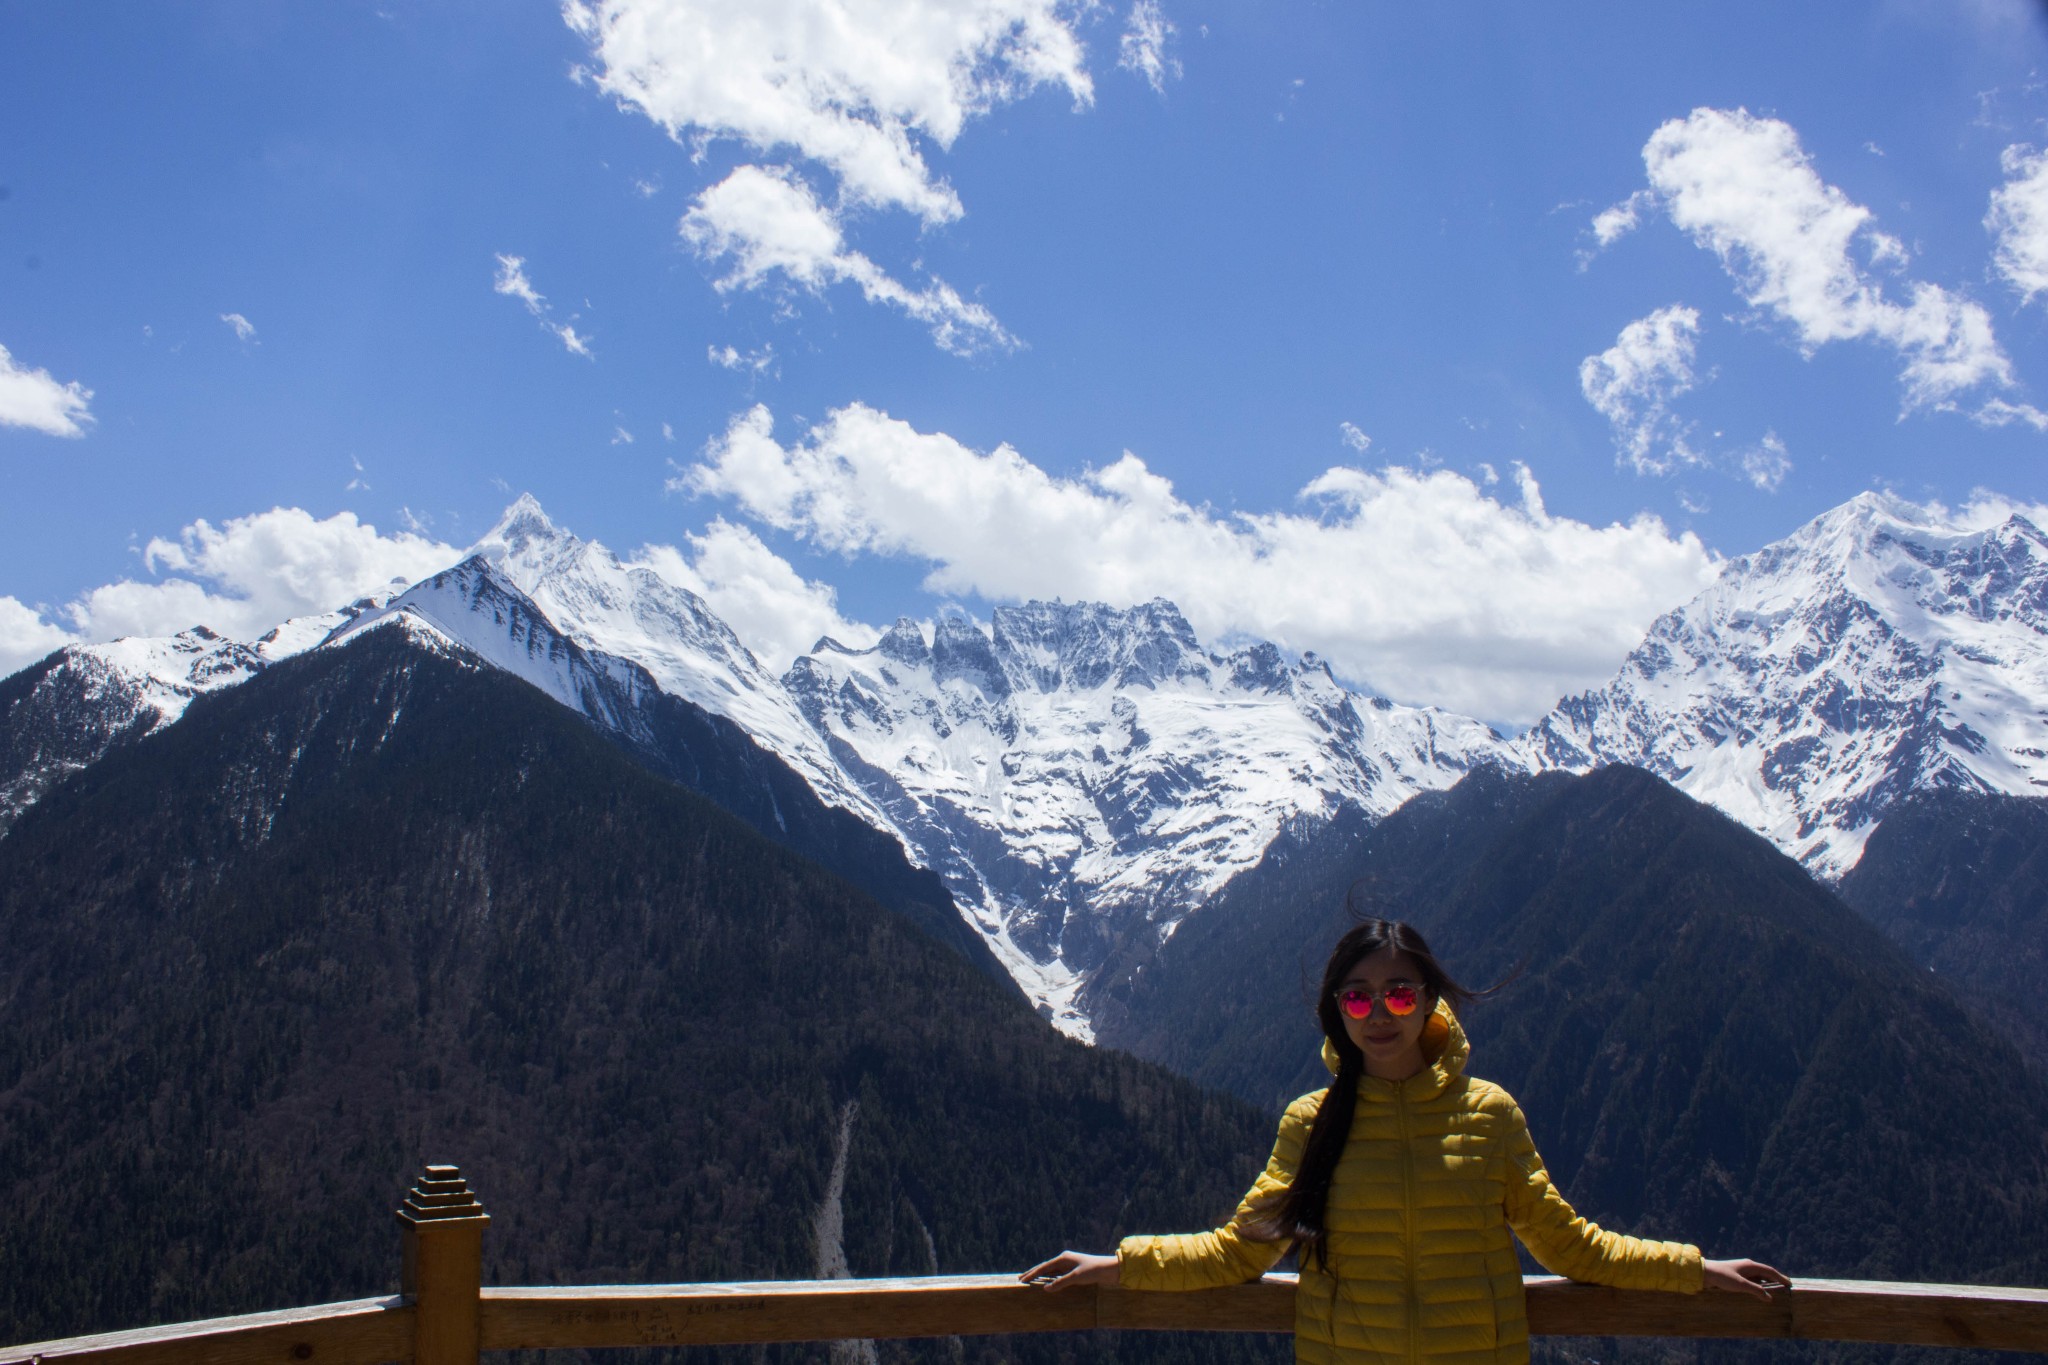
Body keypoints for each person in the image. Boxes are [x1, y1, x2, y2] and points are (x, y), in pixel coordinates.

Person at [1022, 919, 1789, 1364]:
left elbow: (1573, 1247)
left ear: (1429, 1001)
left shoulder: (1490, 1115)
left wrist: (1700, 1269)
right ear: (1336, 1010)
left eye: (1398, 992)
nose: (1378, 1012)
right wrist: (1116, 1265)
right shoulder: (1309, 1122)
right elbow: (1237, 1251)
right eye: (1357, 995)